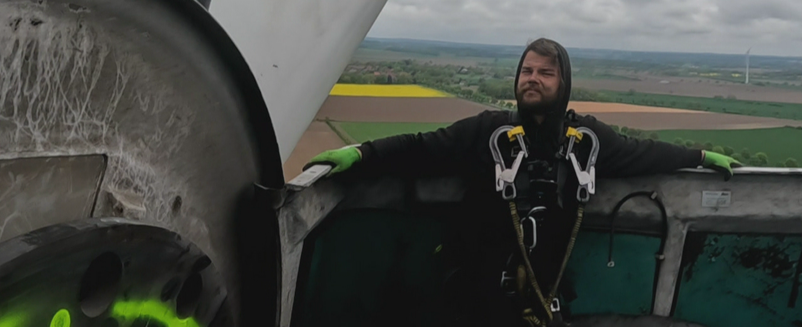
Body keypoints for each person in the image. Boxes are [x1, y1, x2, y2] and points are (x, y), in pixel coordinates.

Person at [308, 38, 739, 326]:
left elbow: (642, 152)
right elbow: (422, 147)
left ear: (563, 83)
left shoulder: (585, 141)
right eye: (526, 70)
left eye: (545, 73)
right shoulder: (487, 132)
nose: (532, 78)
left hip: (540, 299)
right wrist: (361, 154)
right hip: (472, 298)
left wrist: (698, 156)